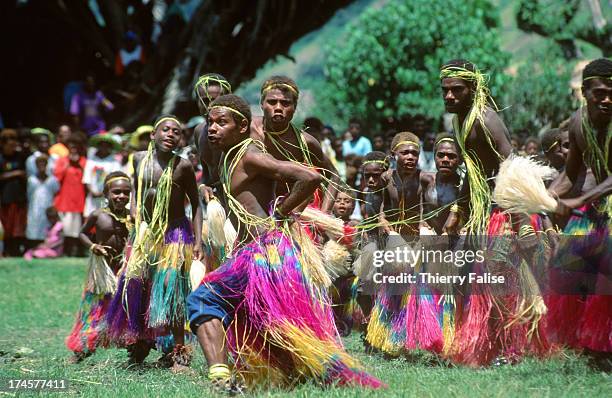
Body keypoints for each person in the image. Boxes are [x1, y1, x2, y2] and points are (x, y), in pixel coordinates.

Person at [187, 94, 382, 393]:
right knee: (272, 323)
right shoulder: (232, 156)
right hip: (258, 253)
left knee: (203, 300)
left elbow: (310, 176)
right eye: (210, 122)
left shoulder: (249, 154)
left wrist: (280, 213)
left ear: (241, 127)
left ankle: (221, 379)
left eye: (221, 123)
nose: (213, 128)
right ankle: (303, 374)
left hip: (265, 255)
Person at [439, 59, 549, 366]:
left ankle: (511, 350)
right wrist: (458, 210)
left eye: (456, 90)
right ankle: (491, 347)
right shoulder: (459, 122)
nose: (449, 96)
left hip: (503, 212)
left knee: (502, 282)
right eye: (444, 91)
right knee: (481, 282)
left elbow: (510, 167)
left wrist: (522, 223)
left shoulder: (486, 119)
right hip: (481, 213)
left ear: (473, 89)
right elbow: (474, 174)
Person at [106, 115, 202, 369]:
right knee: (138, 286)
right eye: (165, 130)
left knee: (171, 290)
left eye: (177, 132)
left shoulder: (182, 166)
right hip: (147, 232)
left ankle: (179, 353)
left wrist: (198, 240)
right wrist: (136, 207)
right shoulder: (139, 159)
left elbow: (196, 204)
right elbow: (138, 188)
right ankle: (141, 343)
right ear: (153, 135)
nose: (171, 134)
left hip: (175, 234)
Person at [547, 58, 612, 358]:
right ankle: (582, 337)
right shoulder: (577, 122)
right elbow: (571, 173)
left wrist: (578, 201)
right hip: (598, 208)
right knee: (565, 263)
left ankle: (602, 342)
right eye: (600, 93)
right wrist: (547, 195)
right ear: (585, 91)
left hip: (599, 203)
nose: (607, 99)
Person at [66, 172, 131, 362]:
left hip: (124, 268)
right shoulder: (98, 215)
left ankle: (133, 347)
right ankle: (83, 348)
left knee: (126, 306)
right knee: (95, 307)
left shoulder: (132, 216)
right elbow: (82, 234)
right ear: (106, 193)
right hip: (103, 270)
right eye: (116, 192)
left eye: (126, 193)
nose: (121, 196)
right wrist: (93, 246)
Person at [251, 76, 340, 212]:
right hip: (250, 210)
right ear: (262, 104)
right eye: (272, 102)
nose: (278, 108)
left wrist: (325, 212)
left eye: (285, 103)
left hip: (286, 213)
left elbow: (333, 175)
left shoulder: (305, 142)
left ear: (295, 107)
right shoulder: (246, 130)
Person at [192, 73, 232, 199]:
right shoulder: (199, 131)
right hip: (219, 201)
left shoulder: (242, 130)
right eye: (204, 100)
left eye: (214, 100)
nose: (208, 106)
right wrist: (204, 185)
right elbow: (207, 173)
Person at [54, 135, 87, 257]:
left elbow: (88, 177)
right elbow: (57, 177)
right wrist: (68, 163)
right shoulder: (62, 160)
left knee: (77, 228)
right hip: (65, 199)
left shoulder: (83, 161)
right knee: (65, 226)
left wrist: (78, 164)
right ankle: (64, 251)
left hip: (79, 200)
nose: (73, 149)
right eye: (71, 147)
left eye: (75, 147)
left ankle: (75, 251)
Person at [0, 129, 28, 256]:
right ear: (3, 144)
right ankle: (6, 250)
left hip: (19, 197)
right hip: (5, 198)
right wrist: (16, 173)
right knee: (7, 226)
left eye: (14, 144)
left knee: (18, 226)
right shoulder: (1, 158)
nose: (12, 147)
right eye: (9, 144)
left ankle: (16, 250)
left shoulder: (20, 157)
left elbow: (25, 174)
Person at [83, 134, 122, 217]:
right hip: (92, 198)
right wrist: (92, 192)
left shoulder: (114, 162)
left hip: (107, 197)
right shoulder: (91, 160)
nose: (104, 147)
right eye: (101, 145)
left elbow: (116, 180)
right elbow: (87, 179)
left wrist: (104, 192)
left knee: (105, 218)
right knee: (90, 219)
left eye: (106, 146)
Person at [26, 155, 59, 248]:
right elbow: (28, 194)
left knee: (46, 228)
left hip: (48, 207)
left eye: (43, 164)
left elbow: (56, 192)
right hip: (34, 208)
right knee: (34, 228)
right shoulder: (31, 180)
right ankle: (33, 248)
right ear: (36, 165)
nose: (41, 166)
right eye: (39, 164)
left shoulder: (52, 180)